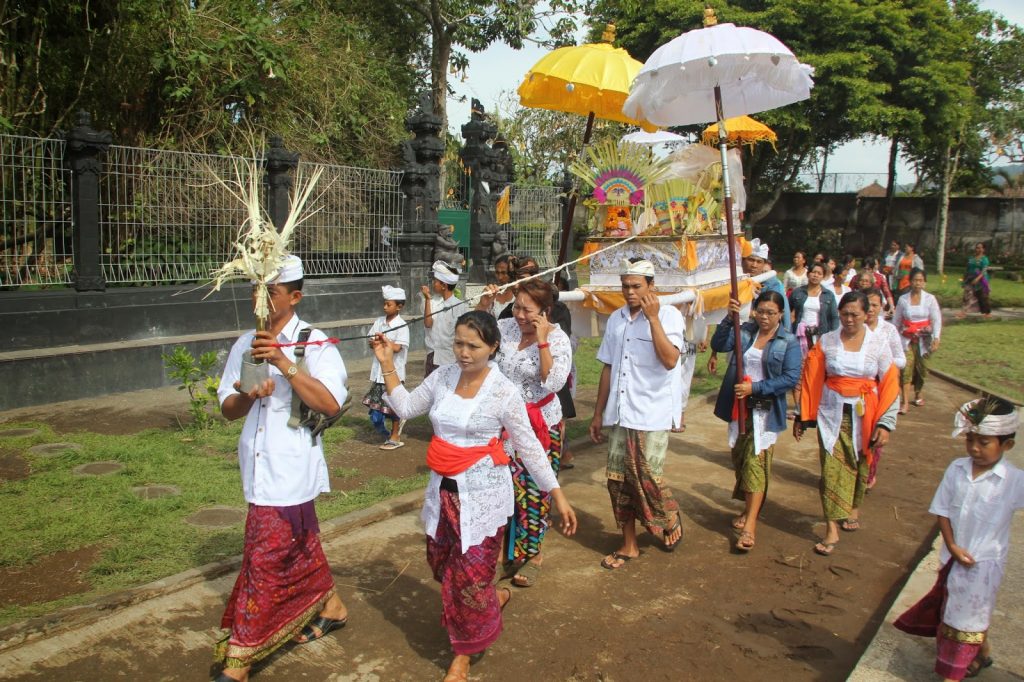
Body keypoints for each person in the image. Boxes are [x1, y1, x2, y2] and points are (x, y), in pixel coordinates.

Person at [372, 311, 577, 682]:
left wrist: (556, 493)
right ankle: (493, 599)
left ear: (493, 347)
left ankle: (462, 656)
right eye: (459, 344)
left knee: (468, 580)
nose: (464, 353)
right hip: (443, 494)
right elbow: (405, 408)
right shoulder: (443, 377)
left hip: (483, 498)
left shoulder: (503, 392)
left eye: (473, 345)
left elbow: (529, 448)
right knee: (441, 567)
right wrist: (387, 364)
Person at [214, 256, 349, 682]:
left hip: (292, 469)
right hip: (255, 466)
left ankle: (240, 658)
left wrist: (284, 363)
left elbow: (330, 403)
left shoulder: (315, 343)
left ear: (294, 296)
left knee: (264, 560)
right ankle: (332, 605)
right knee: (300, 545)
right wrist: (250, 395)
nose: (261, 298)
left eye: (270, 290)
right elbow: (227, 409)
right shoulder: (244, 343)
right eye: (256, 288)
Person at [896, 398, 1021, 681]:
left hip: (984, 564)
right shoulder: (957, 469)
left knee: (961, 622)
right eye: (970, 440)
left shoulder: (1014, 480)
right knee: (961, 610)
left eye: (984, 442)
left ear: (1007, 445)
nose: (975, 448)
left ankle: (950, 675)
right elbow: (942, 510)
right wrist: (951, 545)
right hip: (952, 557)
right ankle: (983, 652)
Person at [590, 258, 685, 569]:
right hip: (620, 412)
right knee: (618, 480)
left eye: (636, 286)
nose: (630, 292)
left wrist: (653, 319)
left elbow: (671, 361)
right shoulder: (617, 319)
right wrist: (597, 413)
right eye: (625, 286)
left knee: (647, 478)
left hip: (652, 411)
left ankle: (668, 516)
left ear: (651, 287)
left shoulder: (669, 316)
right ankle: (629, 544)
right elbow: (608, 366)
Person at [794, 291, 900, 556]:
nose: (850, 319)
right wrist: (803, 414)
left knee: (859, 467)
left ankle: (852, 506)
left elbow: (890, 383)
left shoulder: (878, 344)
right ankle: (831, 528)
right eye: (845, 314)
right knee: (830, 469)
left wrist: (885, 424)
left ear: (867, 314)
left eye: (855, 314)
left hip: (866, 415)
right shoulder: (827, 342)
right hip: (831, 414)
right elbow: (811, 378)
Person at [495, 279, 572, 588]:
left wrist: (542, 341)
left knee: (535, 489)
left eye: (528, 310)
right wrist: (485, 306)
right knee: (504, 487)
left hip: (541, 424)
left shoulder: (558, 339)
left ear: (545, 311)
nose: (520, 315)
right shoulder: (505, 329)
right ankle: (505, 551)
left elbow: (553, 383)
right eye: (516, 307)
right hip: (504, 424)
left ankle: (534, 553)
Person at [711, 290, 801, 552]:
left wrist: (757, 388)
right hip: (738, 407)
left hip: (764, 410)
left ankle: (750, 525)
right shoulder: (746, 331)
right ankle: (748, 509)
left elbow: (790, 378)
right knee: (740, 461)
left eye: (771, 313)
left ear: (780, 314)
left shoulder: (788, 341)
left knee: (755, 463)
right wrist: (729, 319)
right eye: (760, 311)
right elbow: (720, 344)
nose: (764, 317)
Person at [862, 287, 906, 490]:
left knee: (875, 434)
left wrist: (882, 361)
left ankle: (869, 471)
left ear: (881, 307)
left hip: (881, 389)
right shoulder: (852, 326)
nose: (870, 309)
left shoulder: (888, 330)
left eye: (875, 305)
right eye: (867, 305)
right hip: (856, 387)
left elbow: (901, 359)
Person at [362, 285, 409, 450]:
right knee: (376, 410)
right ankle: (385, 432)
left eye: (388, 304)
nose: (385, 307)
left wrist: (384, 341)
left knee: (394, 406)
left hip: (393, 373)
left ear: (399, 306)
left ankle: (395, 436)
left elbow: (398, 348)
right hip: (378, 373)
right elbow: (370, 340)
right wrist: (374, 342)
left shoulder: (402, 325)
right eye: (384, 304)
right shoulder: (379, 322)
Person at [893, 267, 941, 412]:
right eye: (915, 280)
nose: (917, 283)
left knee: (922, 370)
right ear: (910, 282)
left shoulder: (930, 299)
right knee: (906, 370)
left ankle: (918, 392)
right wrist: (895, 338)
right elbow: (896, 321)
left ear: (924, 283)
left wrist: (936, 337)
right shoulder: (903, 300)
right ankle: (905, 401)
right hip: (906, 340)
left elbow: (936, 319)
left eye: (920, 280)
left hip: (924, 340)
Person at [788, 262, 839, 356]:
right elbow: (787, 312)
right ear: (808, 274)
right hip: (800, 334)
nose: (815, 275)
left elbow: (834, 317)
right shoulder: (797, 292)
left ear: (823, 277)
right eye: (813, 272)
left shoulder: (828, 295)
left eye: (819, 273)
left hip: (820, 334)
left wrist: (833, 336)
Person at [422, 260, 463, 377]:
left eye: (436, 281)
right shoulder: (434, 303)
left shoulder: (460, 306)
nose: (433, 283)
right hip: (433, 355)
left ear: (444, 286)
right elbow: (428, 323)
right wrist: (427, 300)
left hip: (450, 357)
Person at [475, 254, 517, 318]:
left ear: (512, 273)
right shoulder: (491, 293)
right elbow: (475, 320)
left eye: (503, 273)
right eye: (497, 273)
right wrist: (482, 305)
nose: (500, 277)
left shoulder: (519, 295)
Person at [958, 242, 992, 319]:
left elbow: (984, 270)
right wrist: (964, 278)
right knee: (967, 295)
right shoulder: (971, 258)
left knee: (982, 296)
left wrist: (977, 278)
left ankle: (987, 312)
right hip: (970, 278)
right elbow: (967, 269)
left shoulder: (984, 259)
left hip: (981, 279)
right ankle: (963, 312)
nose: (978, 249)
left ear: (983, 249)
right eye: (977, 247)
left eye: (980, 248)